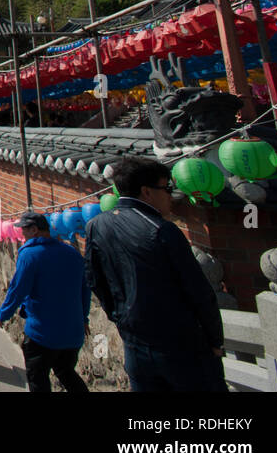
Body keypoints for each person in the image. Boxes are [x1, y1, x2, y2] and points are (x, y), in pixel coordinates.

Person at [85, 158, 227, 392]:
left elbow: (95, 280)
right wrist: (215, 340)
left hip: (135, 345)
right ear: (147, 192)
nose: (171, 196)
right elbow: (199, 291)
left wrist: (120, 317)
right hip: (180, 345)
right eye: (167, 188)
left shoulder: (97, 225)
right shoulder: (161, 229)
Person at [0, 211, 90, 392]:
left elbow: (18, 289)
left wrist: (3, 314)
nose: (21, 234)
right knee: (66, 372)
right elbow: (85, 290)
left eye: (24, 230)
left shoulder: (31, 255)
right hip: (72, 333)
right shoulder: (72, 253)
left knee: (38, 379)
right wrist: (84, 318)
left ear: (34, 230)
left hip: (42, 333)